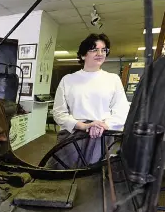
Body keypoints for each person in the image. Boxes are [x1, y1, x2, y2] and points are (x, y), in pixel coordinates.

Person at [49, 33, 130, 168]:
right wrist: (83, 126)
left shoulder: (113, 79)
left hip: (101, 135)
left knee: (93, 177)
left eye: (103, 50)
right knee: (64, 174)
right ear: (83, 55)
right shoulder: (68, 80)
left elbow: (122, 110)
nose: (100, 53)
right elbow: (58, 113)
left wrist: (104, 125)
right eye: (94, 49)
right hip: (72, 135)